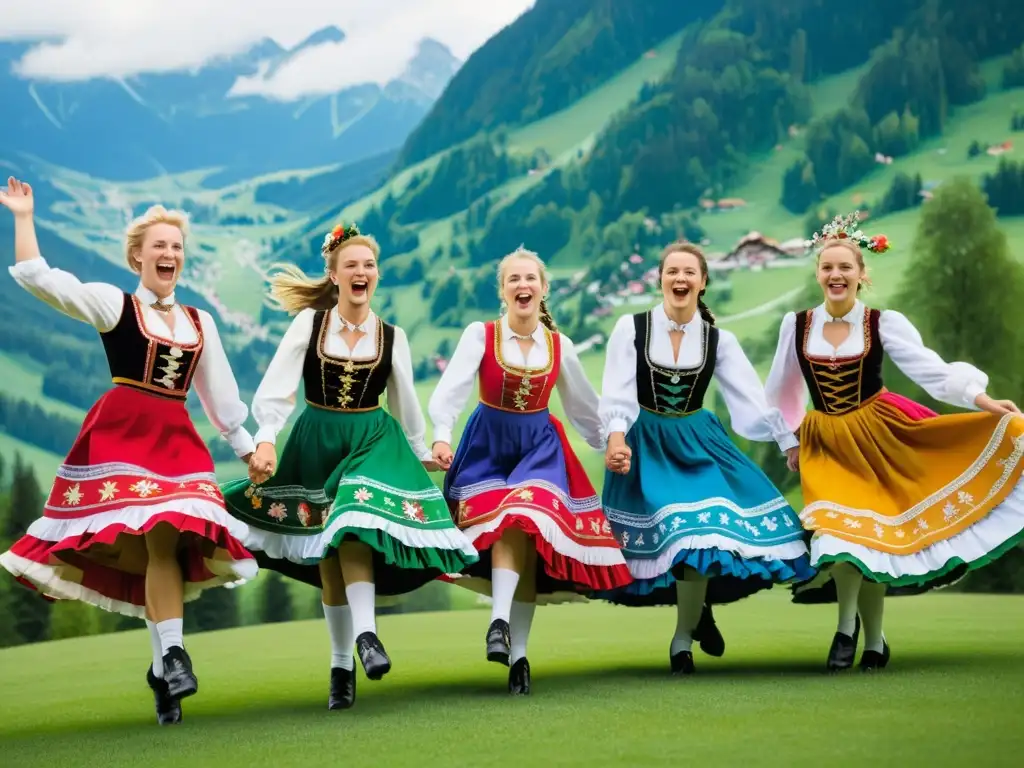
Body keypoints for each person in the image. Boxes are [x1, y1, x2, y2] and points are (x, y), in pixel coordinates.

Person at [0, 177, 258, 725]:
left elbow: (220, 396)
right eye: (159, 246)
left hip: (175, 441)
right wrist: (24, 217)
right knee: (150, 545)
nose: (170, 254)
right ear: (137, 256)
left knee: (164, 542)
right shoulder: (114, 306)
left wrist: (246, 447)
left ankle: (167, 661)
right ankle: (170, 658)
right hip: (120, 435)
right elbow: (42, 279)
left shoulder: (199, 321)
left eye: (177, 247)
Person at [220, 222, 477, 710]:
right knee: (330, 550)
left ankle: (367, 637)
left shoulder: (392, 336)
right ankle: (342, 668)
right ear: (334, 275)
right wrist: (267, 441)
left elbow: (405, 406)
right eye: (352, 265)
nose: (362, 272)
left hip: (371, 440)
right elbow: (275, 389)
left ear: (376, 275)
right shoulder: (309, 325)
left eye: (369, 265)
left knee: (354, 520)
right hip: (316, 440)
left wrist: (424, 451)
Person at [764, 212, 1024, 672]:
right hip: (824, 441)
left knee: (872, 540)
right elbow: (781, 391)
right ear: (817, 273)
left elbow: (934, 372)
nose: (836, 274)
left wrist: (984, 401)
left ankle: (874, 640)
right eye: (828, 267)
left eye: (845, 267)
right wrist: (788, 441)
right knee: (836, 534)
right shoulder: (797, 324)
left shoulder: (883, 323)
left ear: (862, 274)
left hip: (879, 436)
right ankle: (848, 630)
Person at [599, 241, 813, 675]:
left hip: (699, 444)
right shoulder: (632, 328)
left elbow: (750, 404)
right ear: (660, 279)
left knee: (702, 533)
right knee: (681, 535)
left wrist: (788, 441)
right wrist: (616, 439)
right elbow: (617, 391)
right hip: (649, 448)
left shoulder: (719, 339)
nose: (680, 279)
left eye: (689, 273)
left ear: (702, 282)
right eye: (672, 272)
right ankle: (698, 616)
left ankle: (682, 639)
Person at [429, 245, 632, 696]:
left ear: (543, 289)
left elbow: (584, 410)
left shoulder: (560, 346)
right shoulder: (480, 335)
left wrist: (611, 445)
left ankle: (503, 631)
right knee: (509, 528)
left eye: (530, 279)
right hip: (486, 449)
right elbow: (451, 391)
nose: (523, 286)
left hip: (539, 451)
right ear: (503, 291)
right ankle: (517, 655)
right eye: (514, 280)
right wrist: (441, 433)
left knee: (525, 517)